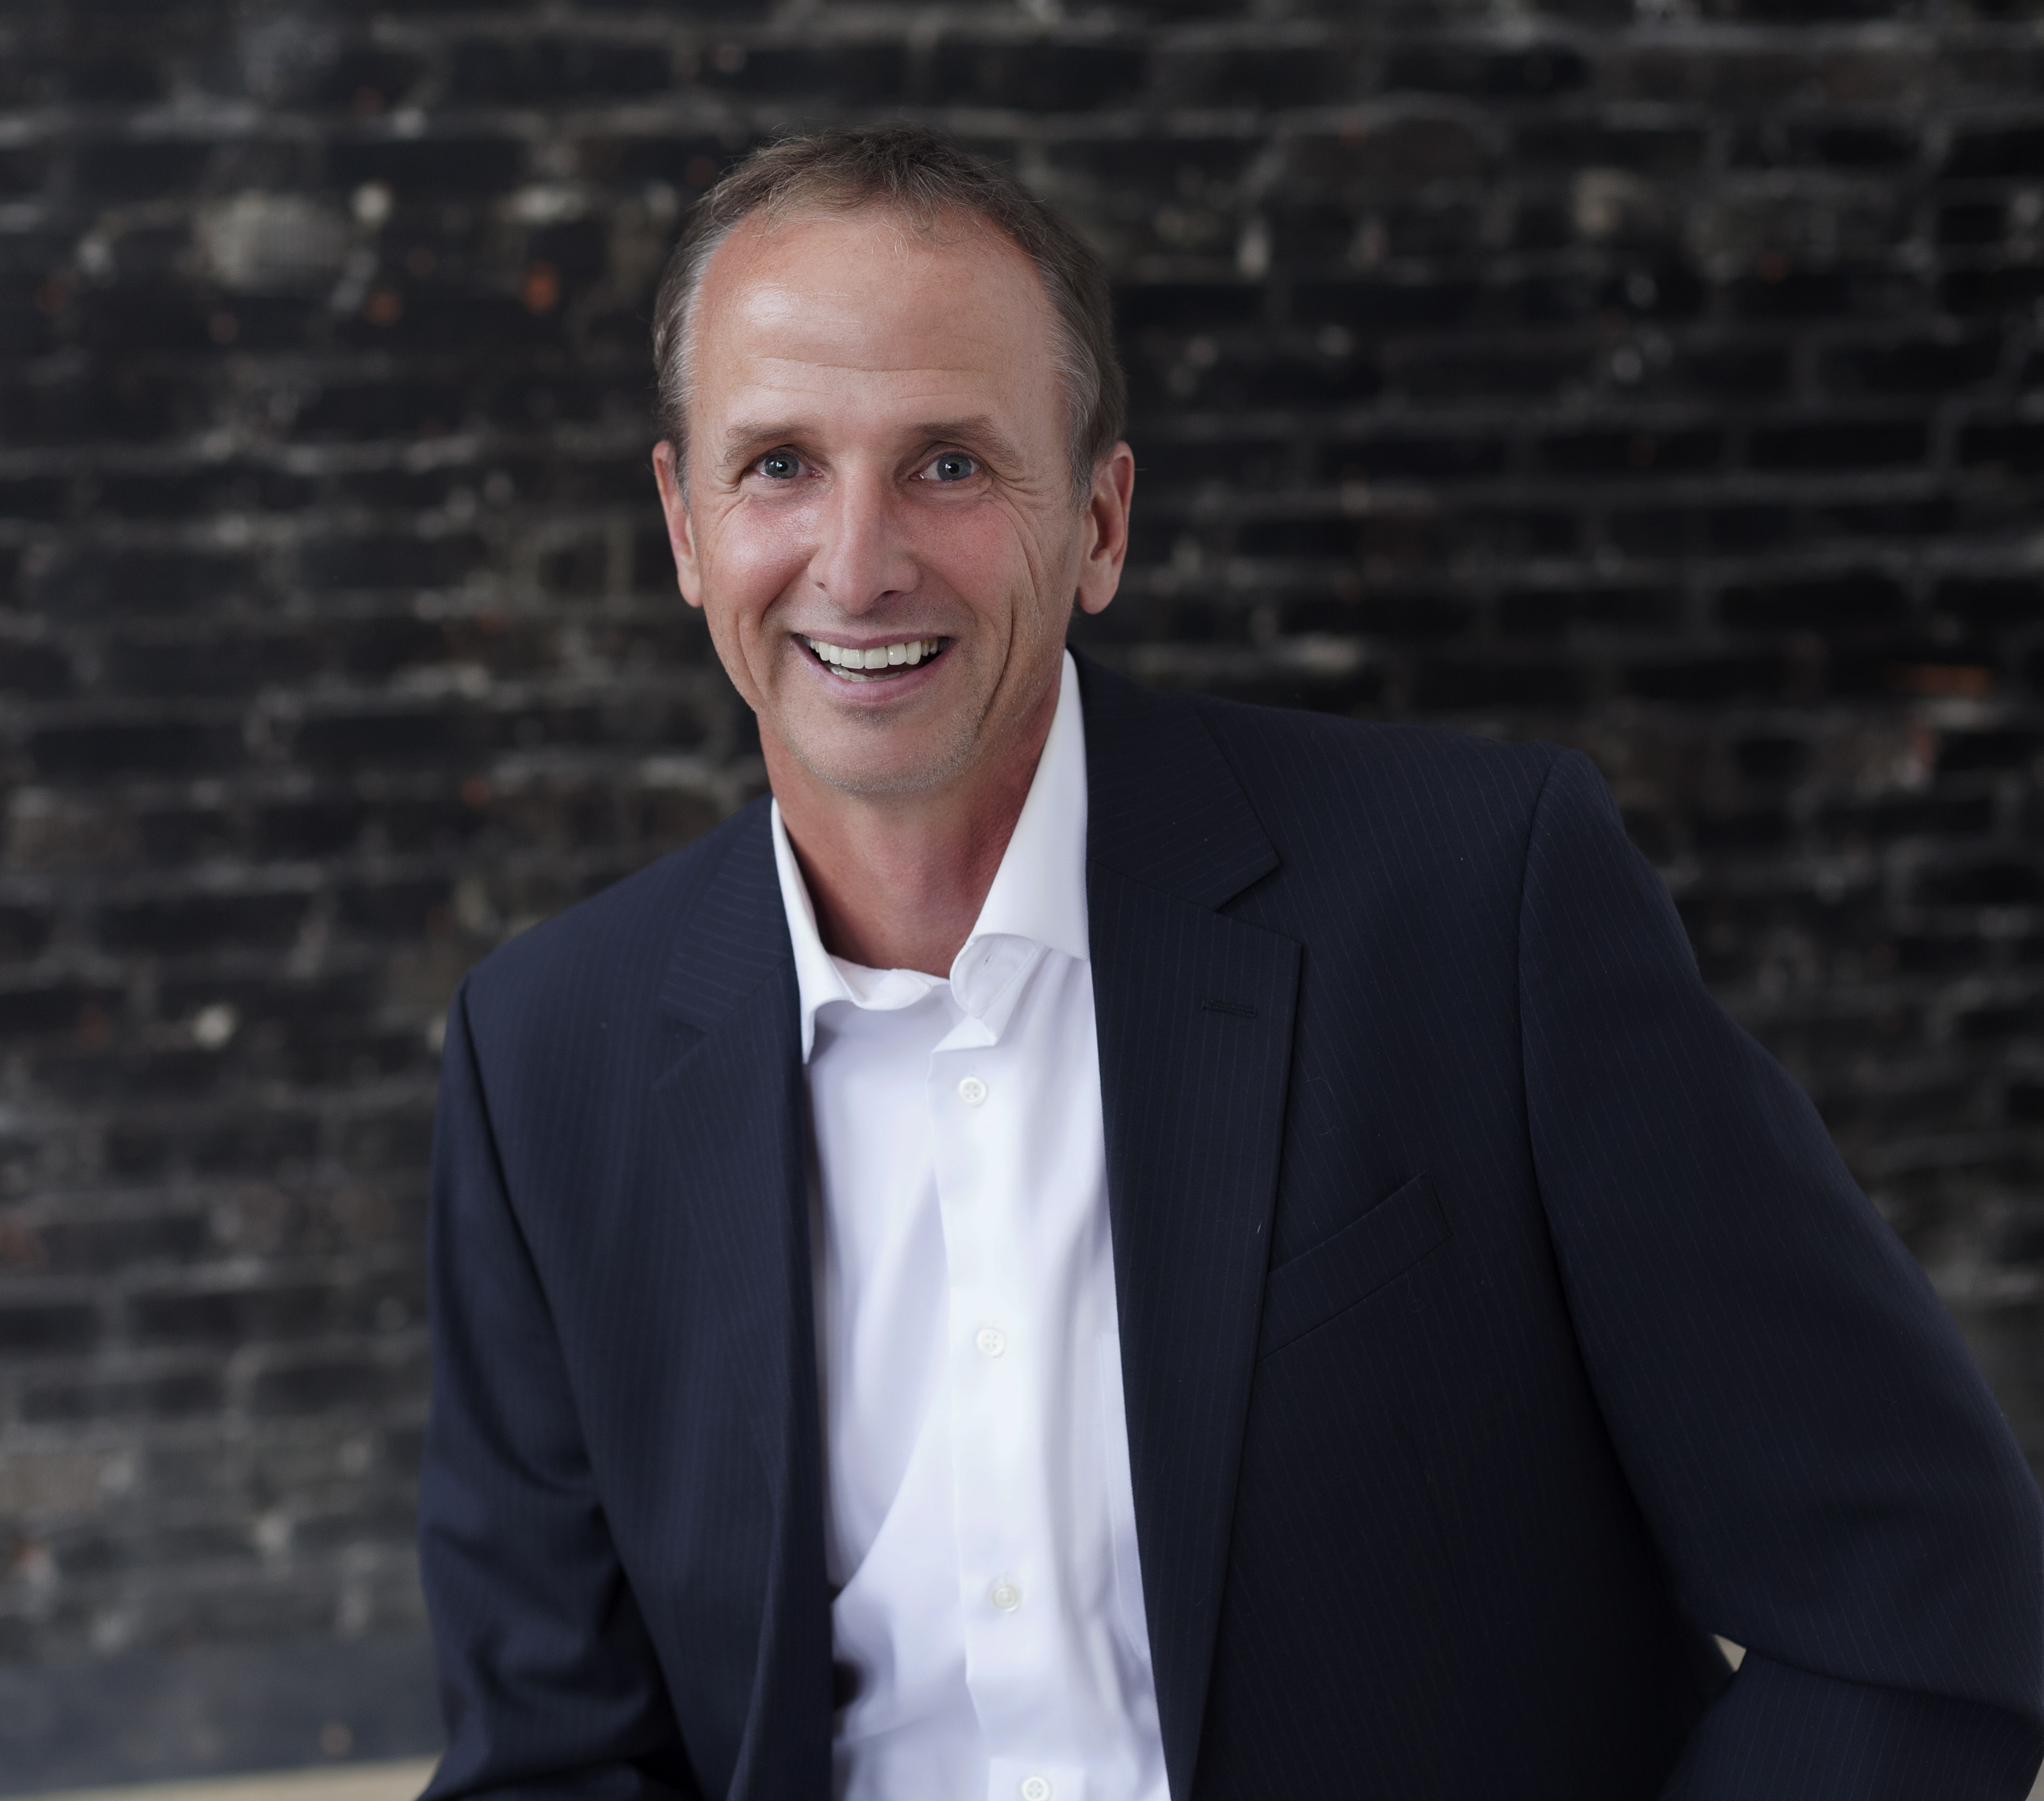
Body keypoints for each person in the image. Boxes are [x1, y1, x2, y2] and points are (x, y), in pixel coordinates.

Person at [415, 124, 2042, 1801]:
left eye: (950, 464)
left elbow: (1918, 1593)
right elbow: (552, 1756)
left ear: (1102, 522)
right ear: (684, 526)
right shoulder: (546, 1063)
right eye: (777, 467)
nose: (857, 562)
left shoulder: (1477, 903)